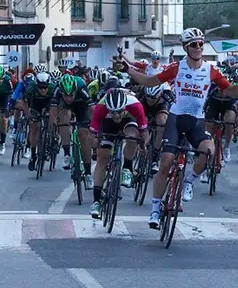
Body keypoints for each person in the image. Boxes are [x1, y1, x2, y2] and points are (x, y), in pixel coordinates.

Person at [122, 28, 238, 228]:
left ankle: (189, 181)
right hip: (176, 119)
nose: (198, 47)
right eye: (193, 44)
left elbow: (231, 92)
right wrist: (129, 70)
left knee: (208, 152)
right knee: (166, 162)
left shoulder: (210, 70)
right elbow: (149, 81)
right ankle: (155, 209)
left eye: (201, 44)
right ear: (185, 48)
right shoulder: (176, 68)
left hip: (196, 121)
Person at [88, 88, 148, 218]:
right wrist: (96, 146)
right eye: (113, 112)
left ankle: (127, 168)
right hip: (107, 123)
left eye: (119, 111)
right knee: (102, 159)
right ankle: (96, 201)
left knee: (132, 137)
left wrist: (143, 145)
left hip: (129, 119)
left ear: (124, 106)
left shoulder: (135, 105)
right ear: (108, 108)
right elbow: (92, 136)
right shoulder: (101, 108)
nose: (116, 115)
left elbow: (144, 133)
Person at [50, 74, 94, 188]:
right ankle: (67, 154)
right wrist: (54, 127)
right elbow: (53, 113)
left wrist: (93, 126)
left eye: (71, 95)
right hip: (65, 107)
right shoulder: (57, 90)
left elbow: (92, 110)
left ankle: (88, 172)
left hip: (81, 105)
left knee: (83, 136)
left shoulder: (81, 87)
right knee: (63, 117)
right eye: (66, 95)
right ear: (61, 92)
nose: (69, 98)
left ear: (75, 91)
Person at [137, 83, 174, 173]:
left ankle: (155, 157)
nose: (150, 100)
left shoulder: (167, 94)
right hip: (145, 107)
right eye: (148, 97)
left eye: (153, 98)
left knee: (162, 123)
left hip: (161, 107)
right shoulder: (143, 92)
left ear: (160, 94)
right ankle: (141, 146)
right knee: (141, 120)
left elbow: (175, 109)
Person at [24, 72, 55, 171]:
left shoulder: (53, 88)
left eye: (45, 87)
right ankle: (33, 156)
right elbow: (25, 103)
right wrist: (28, 116)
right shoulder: (31, 88)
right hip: (35, 105)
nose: (43, 90)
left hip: (49, 104)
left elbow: (57, 105)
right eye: (41, 88)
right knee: (34, 128)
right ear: (36, 85)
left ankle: (51, 139)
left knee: (52, 122)